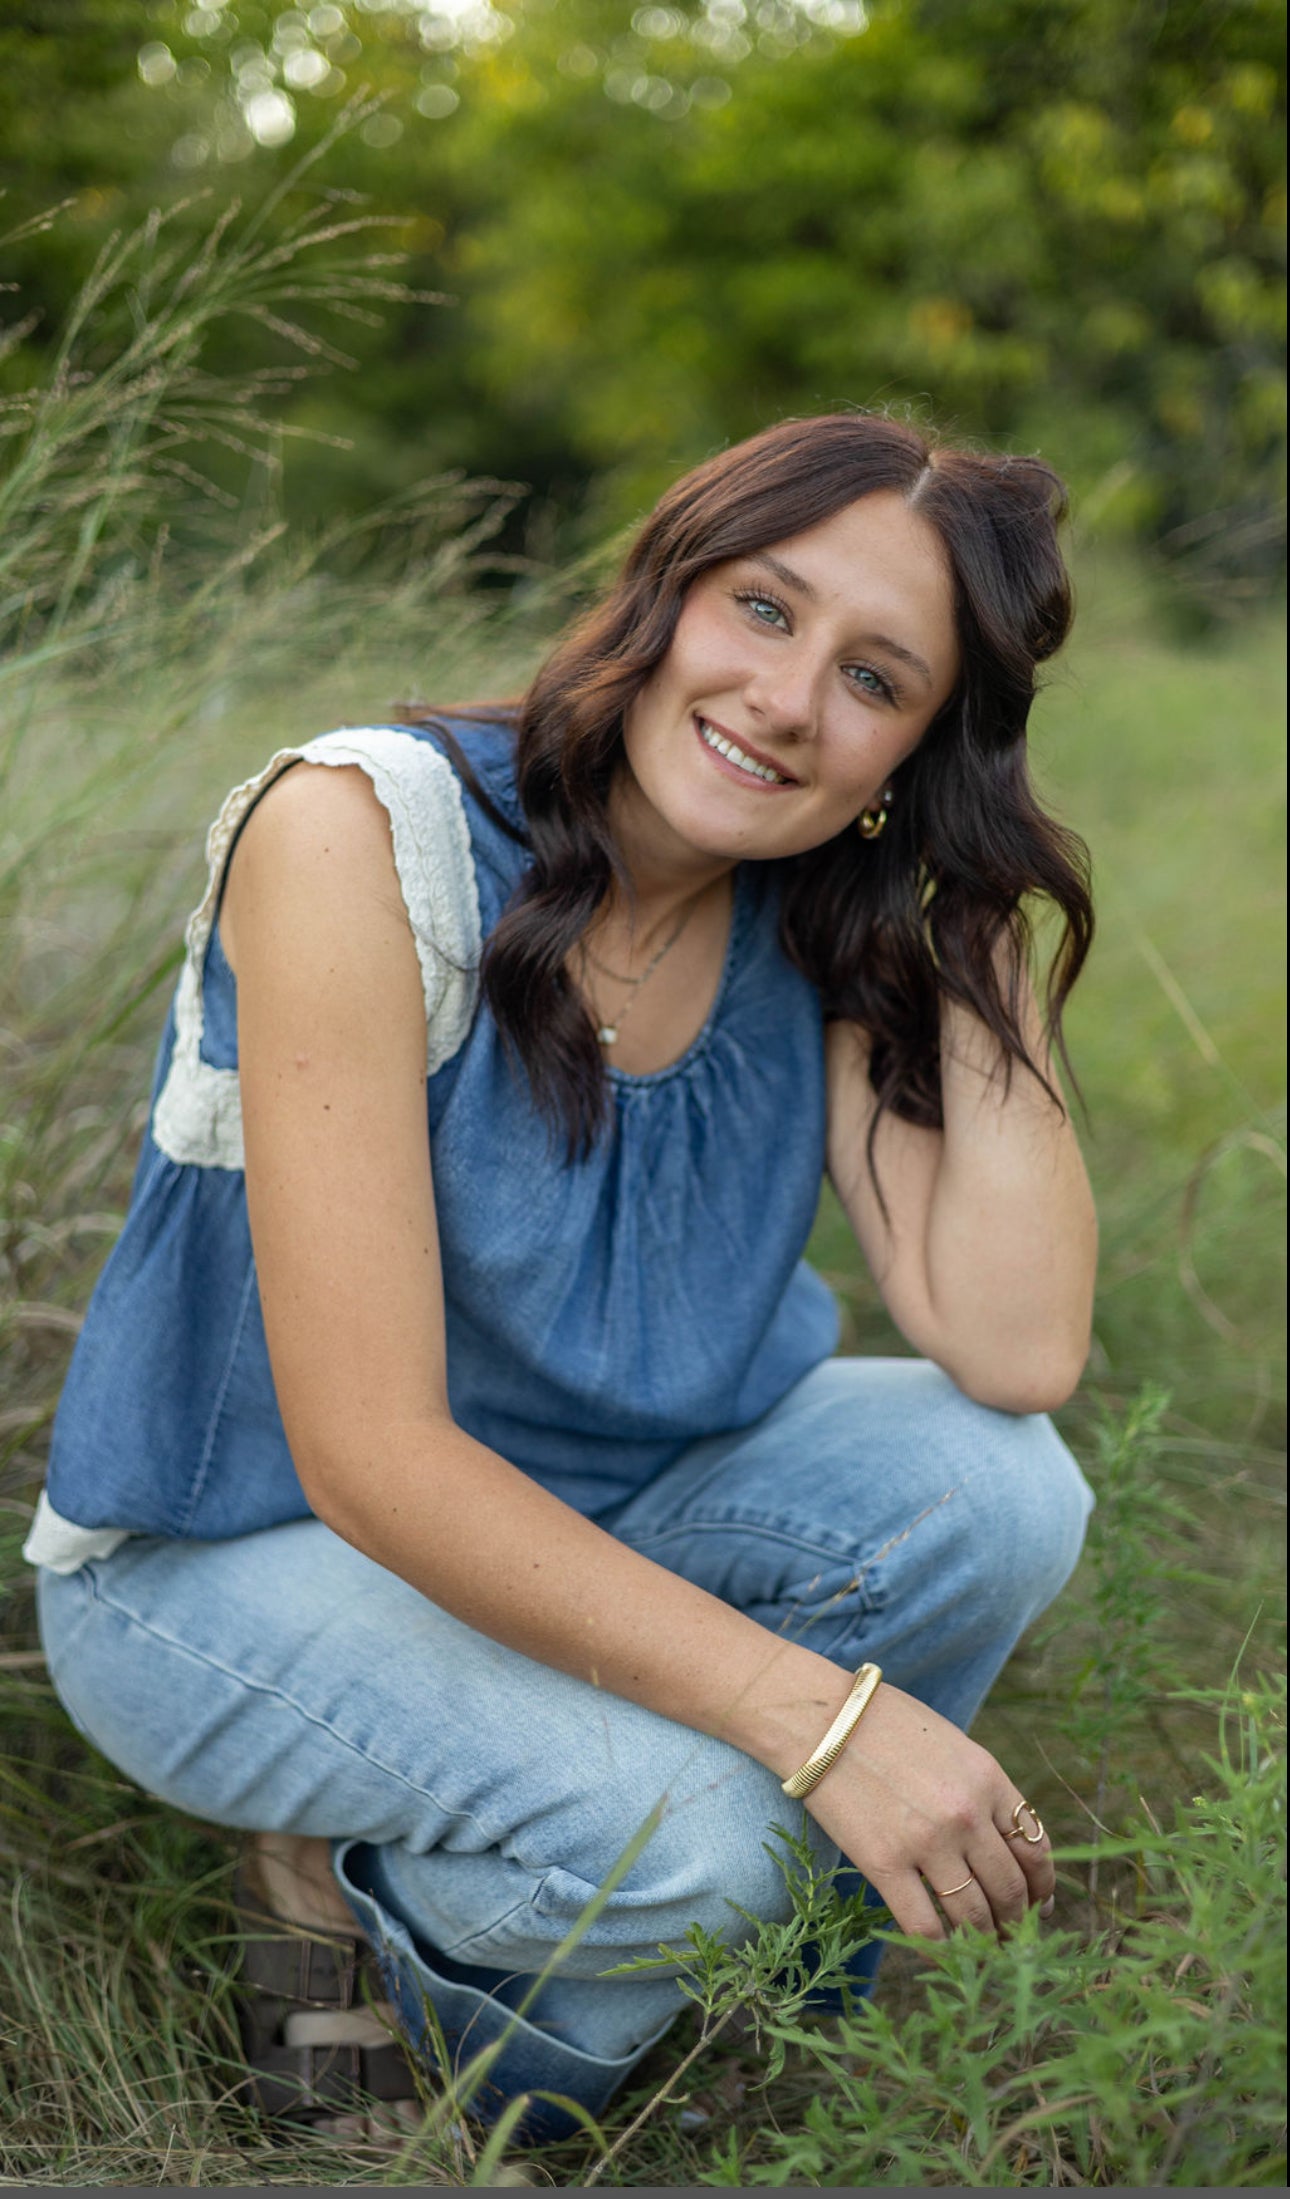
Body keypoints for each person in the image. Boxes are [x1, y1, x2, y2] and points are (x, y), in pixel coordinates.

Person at [29, 412, 1098, 2143]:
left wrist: (976, 921)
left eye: (874, 678)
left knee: (1000, 1488)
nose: (783, 700)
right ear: (664, 590)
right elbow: (369, 1460)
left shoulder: (813, 910)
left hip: (586, 1524)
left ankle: (483, 1947)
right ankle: (447, 2008)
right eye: (762, 609)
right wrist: (825, 1735)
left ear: (917, 748)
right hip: (234, 1562)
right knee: (721, 1836)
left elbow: (1019, 1345)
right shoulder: (359, 834)